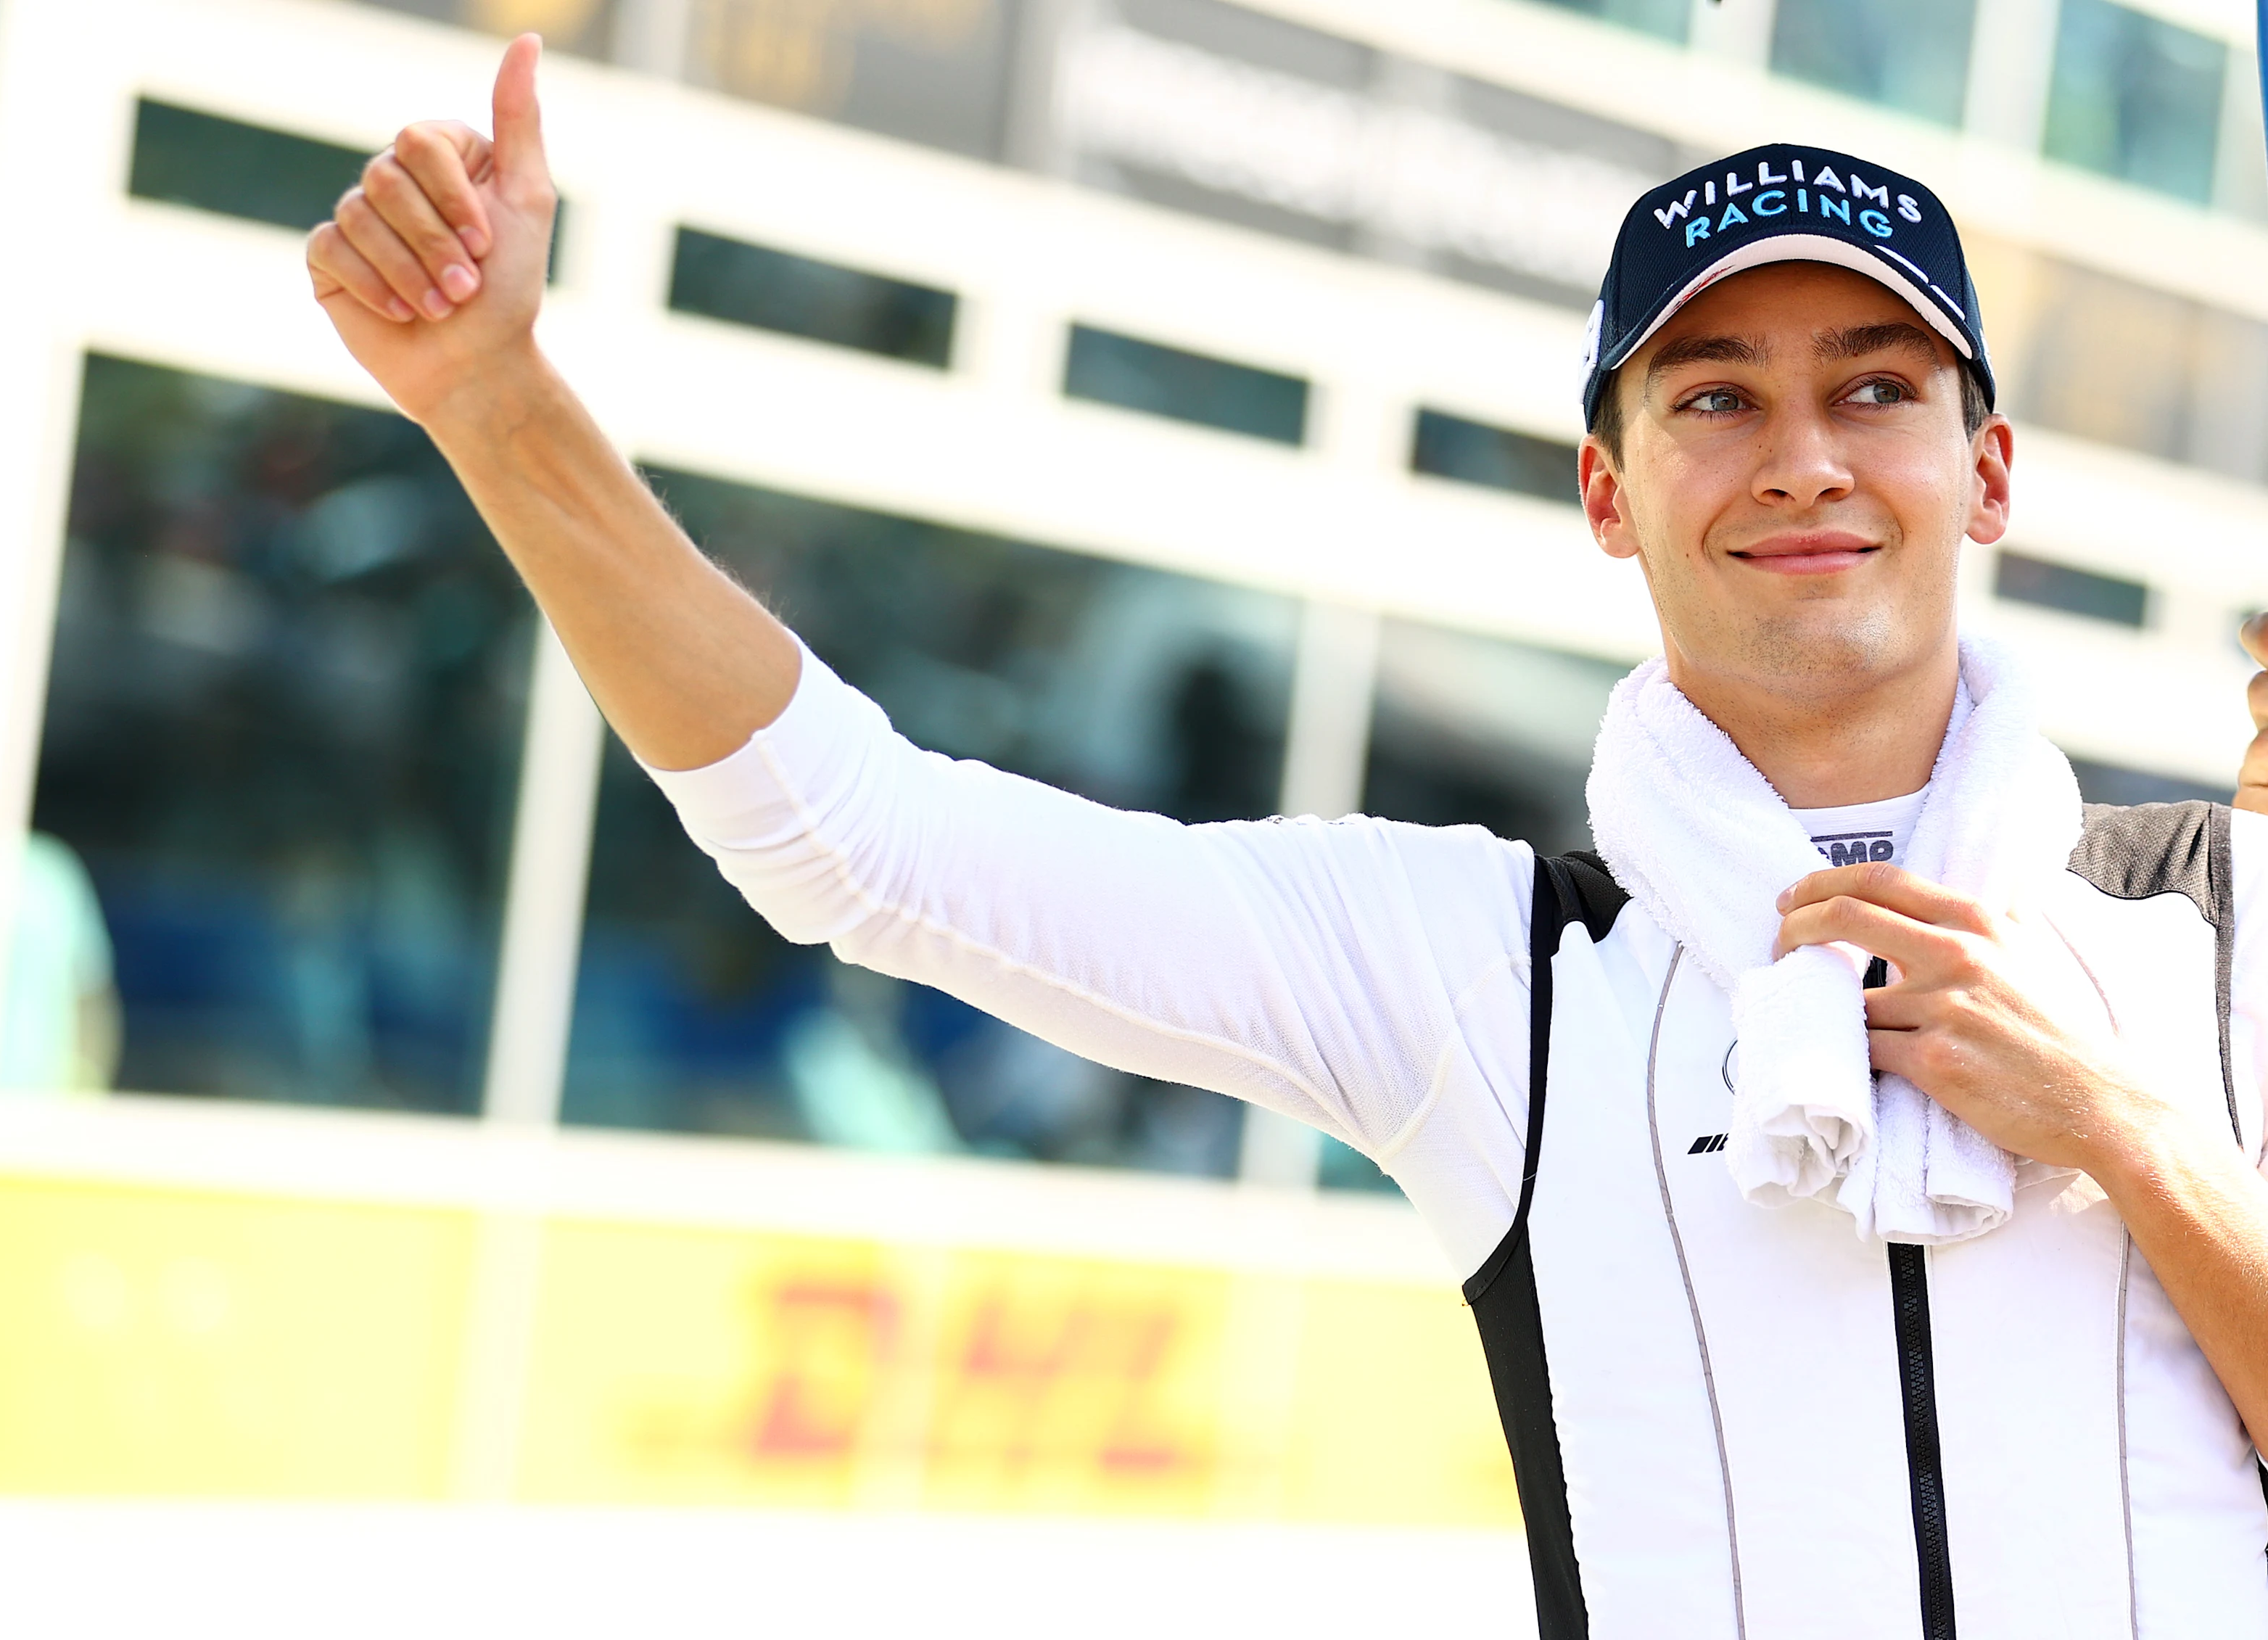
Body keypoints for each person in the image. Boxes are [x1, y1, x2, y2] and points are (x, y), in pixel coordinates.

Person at [305, 37, 2268, 1639]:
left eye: (1876, 389)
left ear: (1986, 469)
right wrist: (497, 410)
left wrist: (2128, 1128)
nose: (1806, 453)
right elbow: (862, 841)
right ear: (1609, 489)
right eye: (1717, 396)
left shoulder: (2230, 922)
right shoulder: (1485, 974)